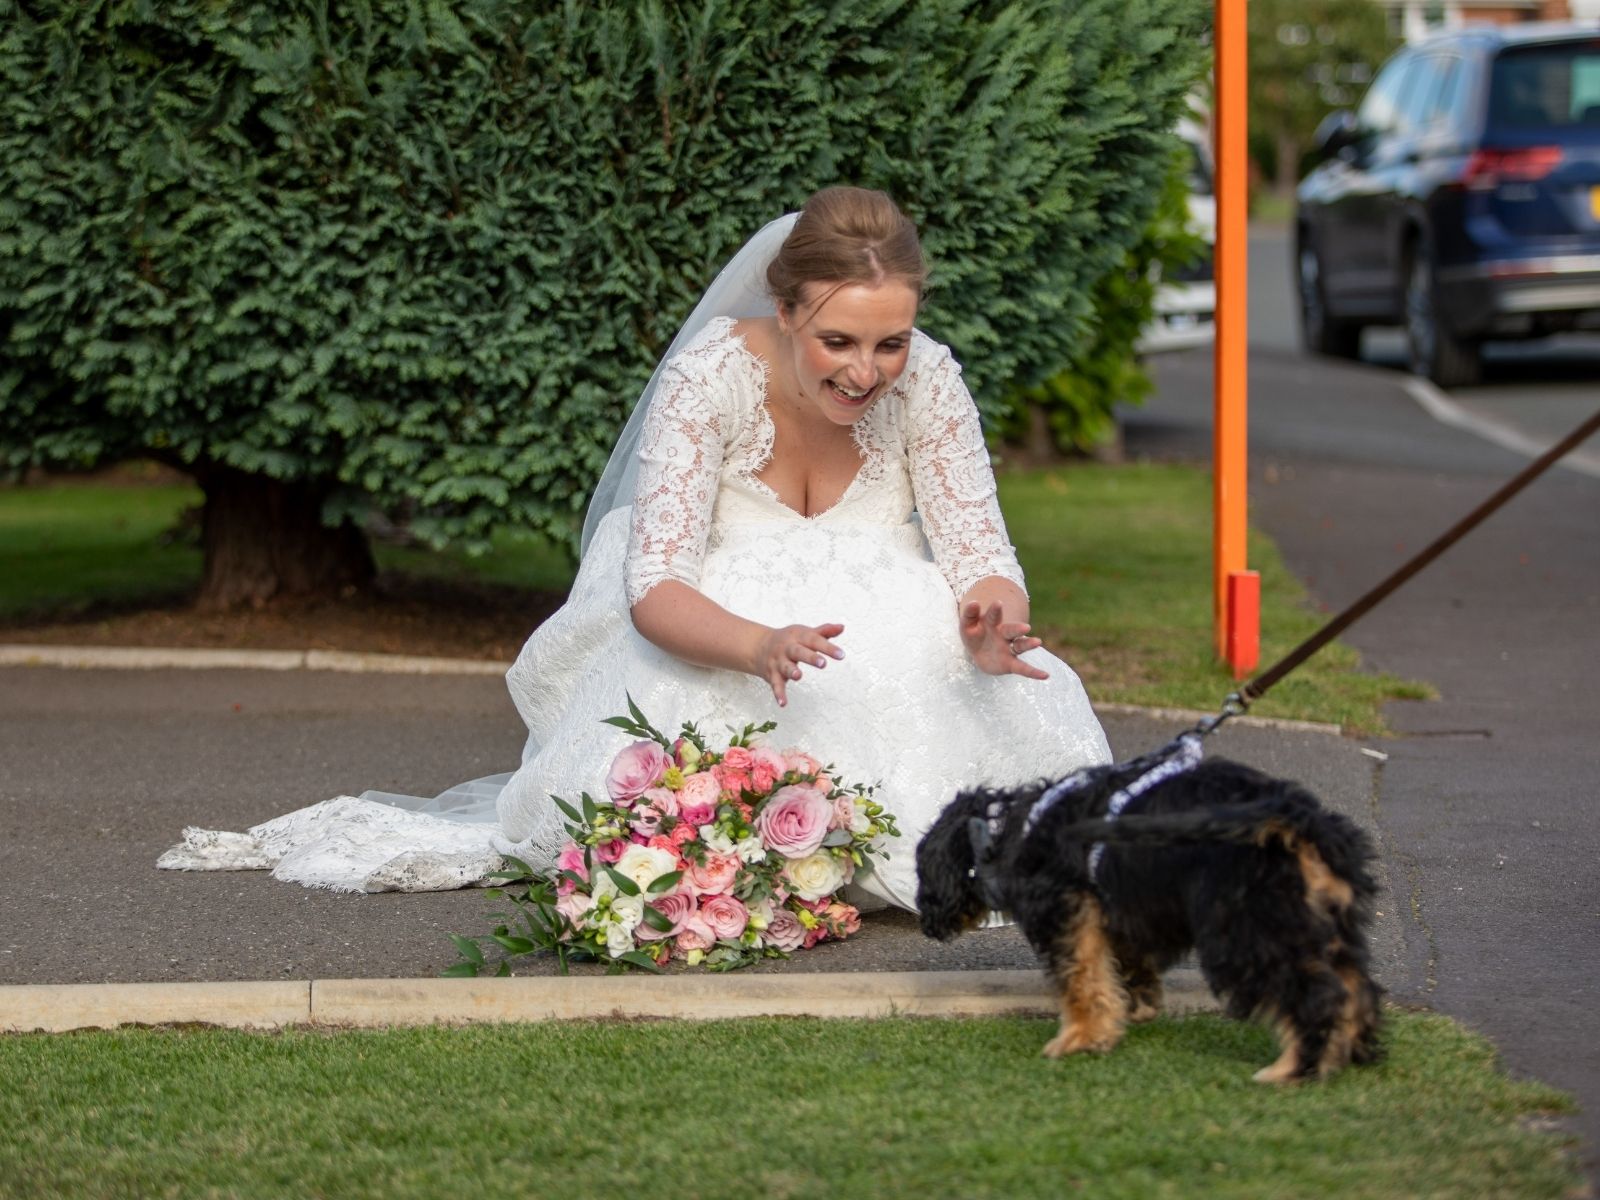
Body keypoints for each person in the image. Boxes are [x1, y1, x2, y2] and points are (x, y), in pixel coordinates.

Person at [159, 187, 1111, 909]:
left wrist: (994, 619)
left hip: (892, 623)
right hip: (721, 632)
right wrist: (756, 644)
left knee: (951, 710)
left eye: (890, 343)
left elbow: (978, 542)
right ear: (786, 313)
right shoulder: (709, 379)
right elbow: (654, 582)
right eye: (839, 342)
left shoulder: (931, 382)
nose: (867, 372)